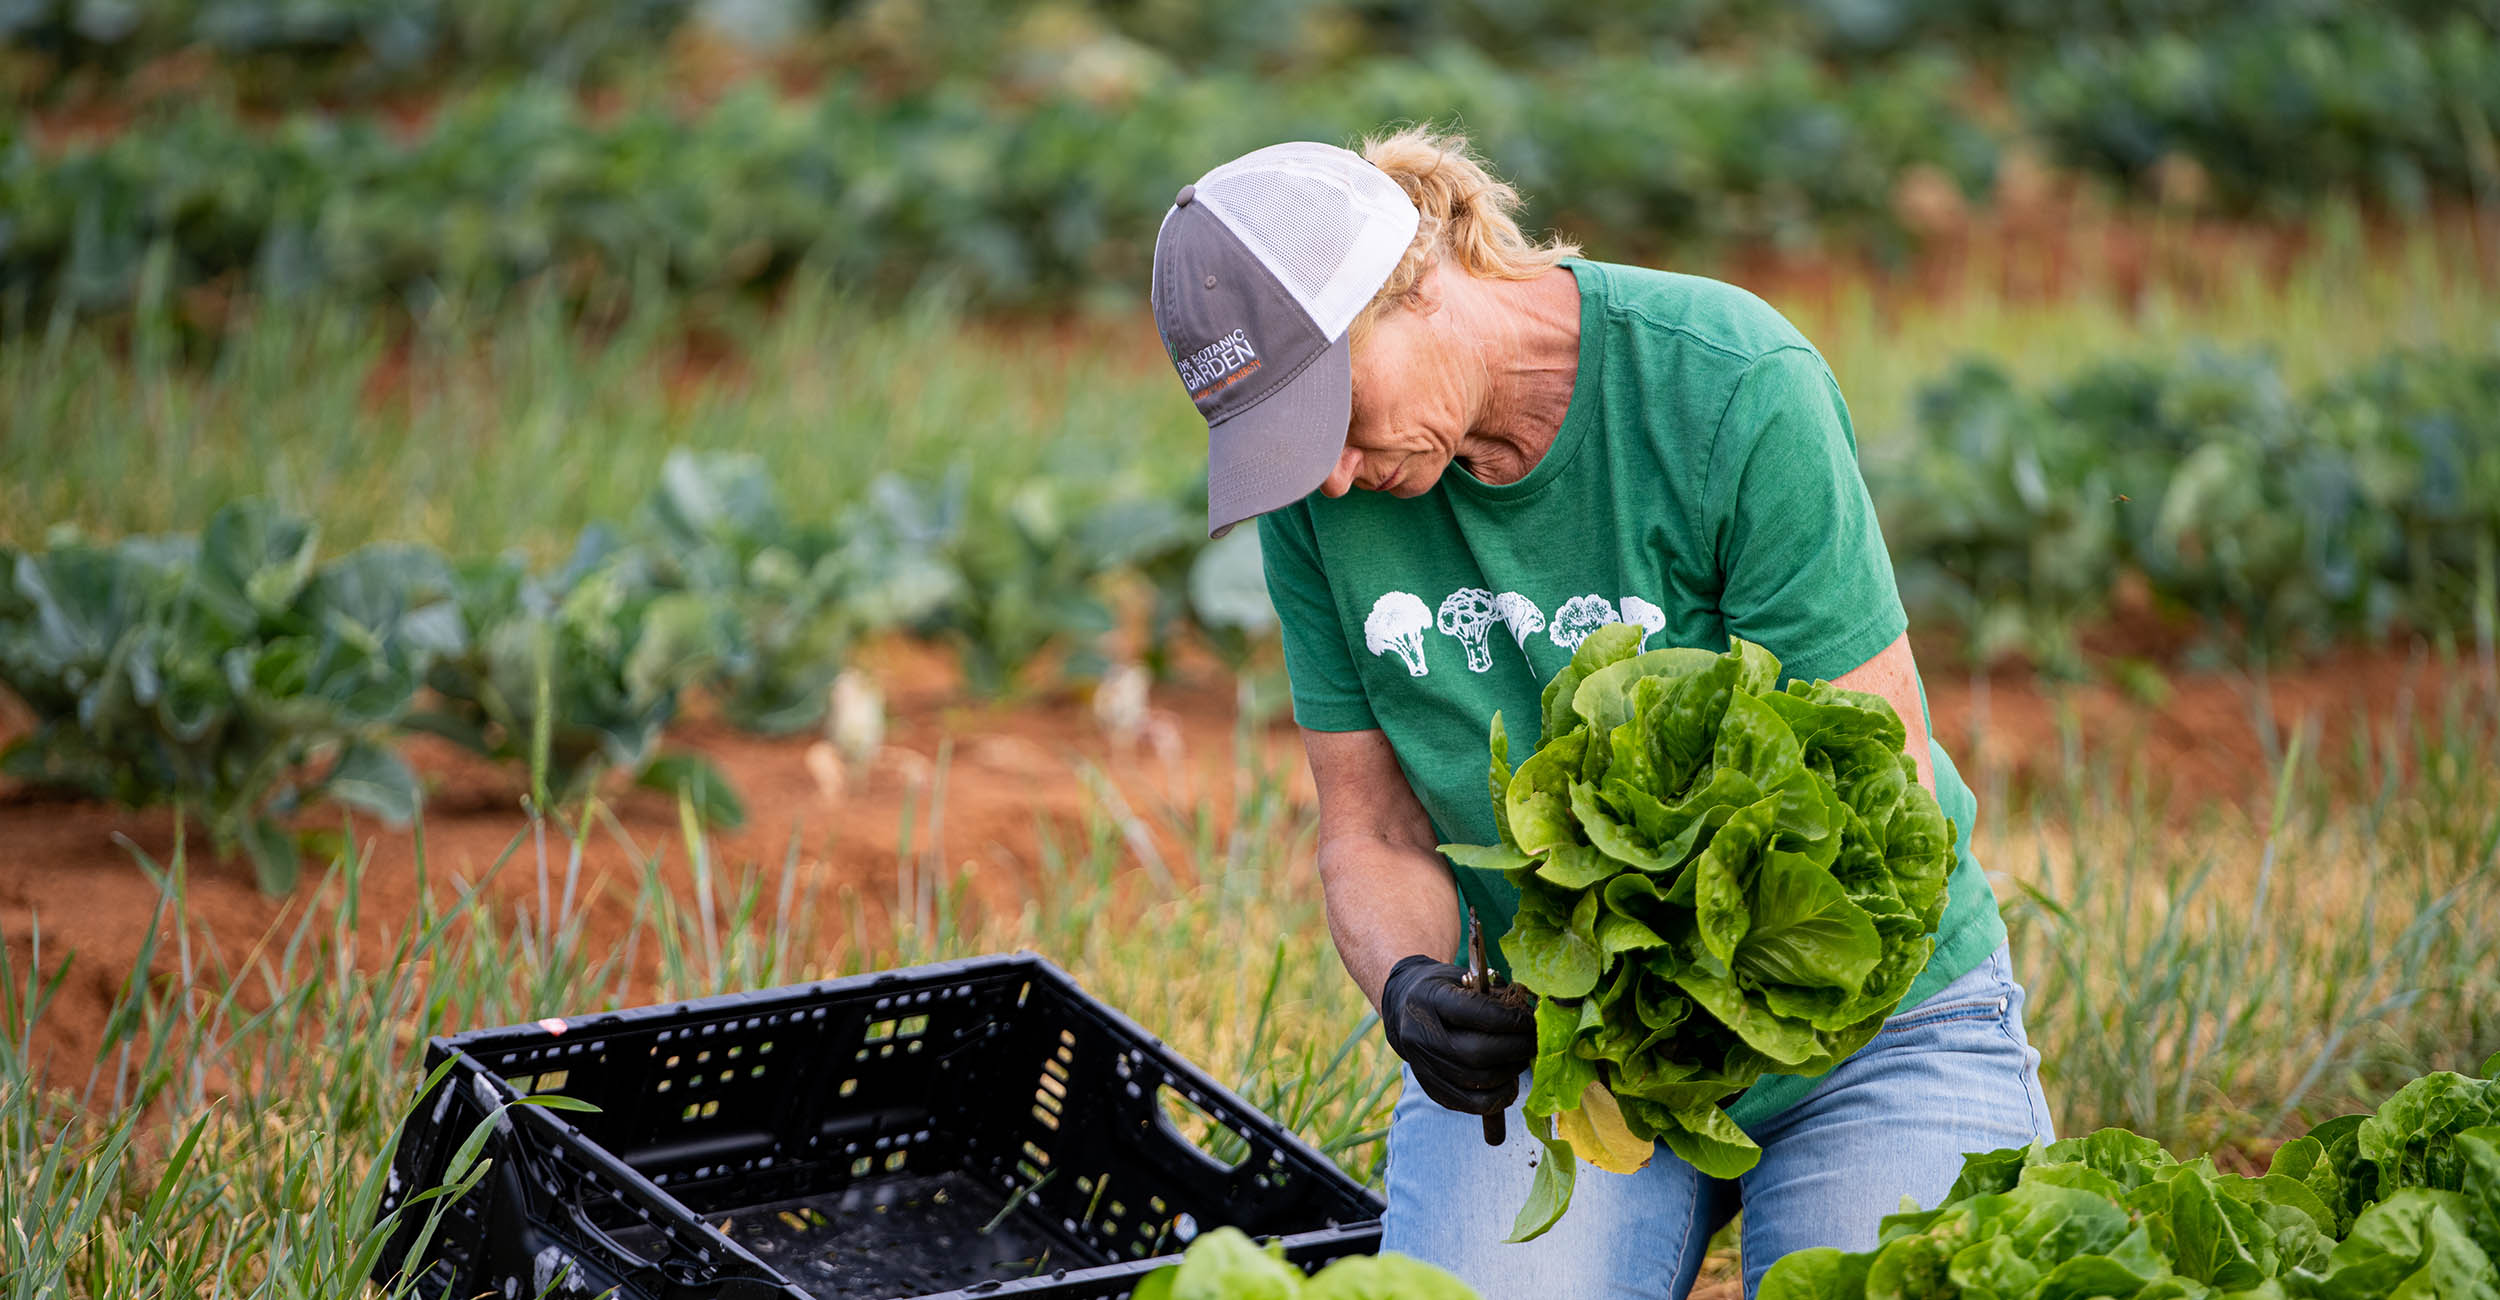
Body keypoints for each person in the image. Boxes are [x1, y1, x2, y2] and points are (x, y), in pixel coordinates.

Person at [1147, 130, 2054, 1298]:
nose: (1322, 475)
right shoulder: (1321, 500)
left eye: (1327, 407)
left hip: (1870, 1032)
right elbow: (1370, 830)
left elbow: (1879, 795)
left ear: (1420, 279)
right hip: (1560, 1045)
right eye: (1283, 439)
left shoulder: (1728, 382)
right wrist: (1413, 987)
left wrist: (1679, 985)